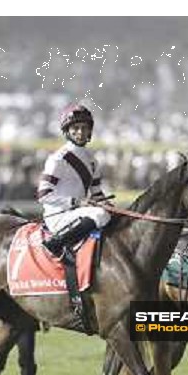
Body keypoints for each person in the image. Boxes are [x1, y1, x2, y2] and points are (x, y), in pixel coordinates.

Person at [38, 103, 111, 259]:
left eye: (84, 128)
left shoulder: (92, 161)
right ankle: (55, 244)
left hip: (79, 213)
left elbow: (97, 194)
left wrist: (109, 205)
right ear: (67, 131)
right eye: (75, 128)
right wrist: (76, 202)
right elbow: (43, 195)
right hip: (58, 216)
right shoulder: (58, 159)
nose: (80, 132)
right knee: (100, 215)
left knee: (110, 214)